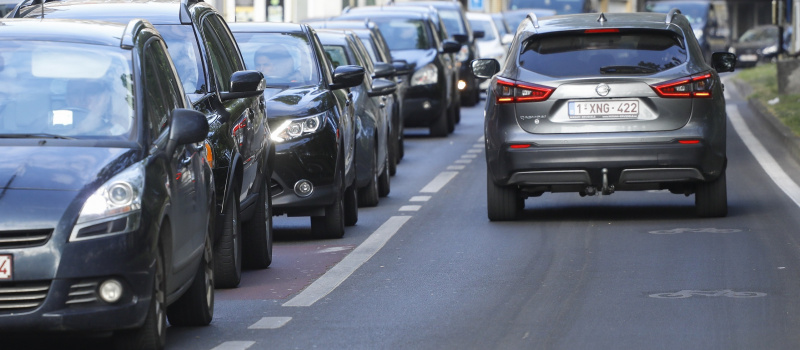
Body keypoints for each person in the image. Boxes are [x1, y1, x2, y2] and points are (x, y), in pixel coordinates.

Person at [62, 79, 130, 136]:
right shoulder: (54, 126)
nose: (82, 98)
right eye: (76, 93)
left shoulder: (117, 124)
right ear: (67, 99)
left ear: (102, 98)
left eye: (90, 92)